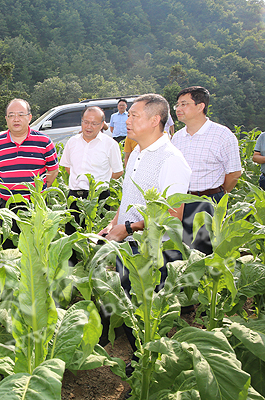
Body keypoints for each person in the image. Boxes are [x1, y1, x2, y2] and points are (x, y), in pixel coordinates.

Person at [98, 94, 191, 374]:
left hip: (153, 252)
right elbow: (128, 198)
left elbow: (172, 216)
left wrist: (127, 228)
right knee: (126, 303)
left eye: (134, 116)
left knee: (147, 312)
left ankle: (147, 371)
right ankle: (139, 360)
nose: (127, 120)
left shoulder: (171, 160)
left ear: (154, 120)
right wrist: (114, 222)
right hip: (128, 244)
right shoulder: (136, 151)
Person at [171, 86, 242, 254]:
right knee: (179, 249)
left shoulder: (222, 135)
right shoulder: (178, 137)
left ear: (200, 106)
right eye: (177, 105)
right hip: (180, 201)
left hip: (208, 202)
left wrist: (218, 192)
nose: (178, 109)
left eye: (184, 104)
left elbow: (234, 173)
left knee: (204, 252)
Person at [0, 98, 59, 248]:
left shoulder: (44, 141)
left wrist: (38, 191)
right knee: (9, 248)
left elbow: (53, 170)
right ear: (6, 119)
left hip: (35, 206)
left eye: (21, 114)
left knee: (36, 248)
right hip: (8, 207)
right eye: (11, 115)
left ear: (29, 117)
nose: (16, 119)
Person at [60, 106, 123, 234]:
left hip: (100, 199)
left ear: (102, 125)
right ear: (81, 121)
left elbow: (118, 171)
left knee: (98, 238)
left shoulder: (110, 144)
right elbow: (67, 166)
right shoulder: (72, 142)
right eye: (86, 122)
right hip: (75, 197)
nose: (89, 126)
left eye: (94, 123)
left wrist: (100, 184)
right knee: (72, 238)